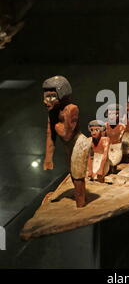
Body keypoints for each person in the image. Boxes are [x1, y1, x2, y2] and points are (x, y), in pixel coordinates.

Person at [42, 75, 90, 208]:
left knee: (77, 175)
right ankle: (80, 197)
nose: (46, 101)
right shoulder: (53, 111)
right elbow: (49, 135)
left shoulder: (71, 109)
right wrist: (48, 158)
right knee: (73, 173)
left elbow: (66, 135)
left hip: (78, 144)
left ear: (62, 94)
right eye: (45, 96)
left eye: (51, 97)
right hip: (69, 146)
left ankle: (81, 205)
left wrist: (55, 125)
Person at [105, 104, 126, 169]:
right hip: (107, 148)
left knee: (113, 162)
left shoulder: (122, 127)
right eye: (110, 114)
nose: (112, 117)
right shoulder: (105, 126)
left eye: (116, 114)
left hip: (117, 149)